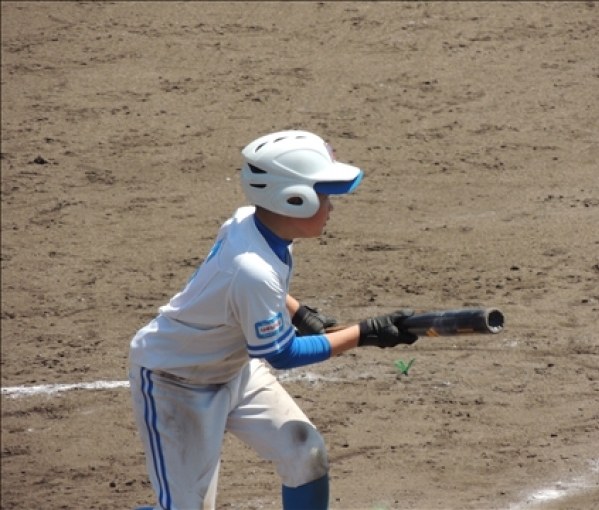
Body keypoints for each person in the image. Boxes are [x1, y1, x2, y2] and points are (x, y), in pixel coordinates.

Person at [128, 130, 419, 510]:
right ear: (293, 199)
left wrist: (300, 313)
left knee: (305, 455)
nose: (331, 206)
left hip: (235, 370)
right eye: (324, 196)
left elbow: (253, 293)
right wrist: (364, 334)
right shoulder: (253, 269)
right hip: (175, 380)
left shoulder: (253, 224)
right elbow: (282, 354)